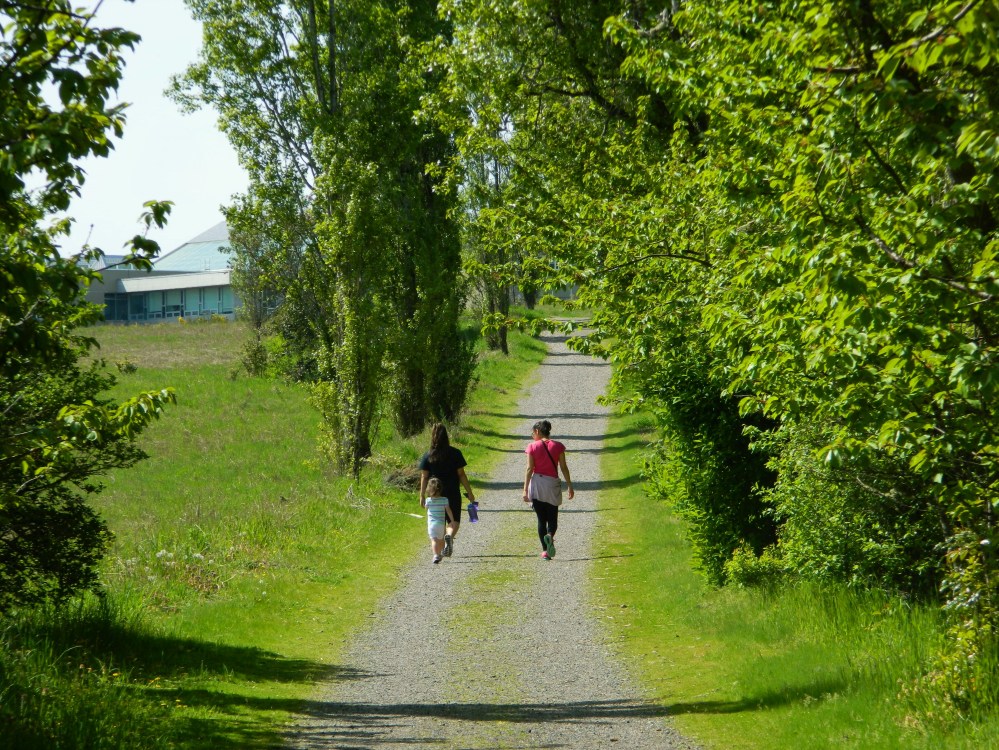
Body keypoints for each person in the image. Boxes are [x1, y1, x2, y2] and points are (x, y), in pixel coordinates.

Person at [418, 423, 475, 557]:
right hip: (452, 492)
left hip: (434, 494)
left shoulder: (428, 456)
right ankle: (449, 536)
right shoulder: (455, 453)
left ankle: (439, 548)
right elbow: (461, 474)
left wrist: (421, 495)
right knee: (453, 520)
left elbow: (424, 476)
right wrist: (470, 492)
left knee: (437, 520)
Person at [522, 419, 574, 560]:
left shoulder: (532, 447)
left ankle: (545, 551)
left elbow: (529, 469)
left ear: (537, 432)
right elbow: (563, 467)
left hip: (537, 483)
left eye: (533, 433)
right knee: (552, 517)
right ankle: (550, 535)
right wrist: (569, 485)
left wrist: (525, 489)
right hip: (552, 484)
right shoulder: (558, 446)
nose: (533, 436)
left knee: (541, 519)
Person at [423, 477, 455, 564]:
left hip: (432, 525)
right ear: (441, 489)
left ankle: (435, 555)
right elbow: (448, 510)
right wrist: (451, 521)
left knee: (434, 540)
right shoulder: (444, 500)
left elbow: (426, 509)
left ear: (429, 489)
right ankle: (440, 553)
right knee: (441, 540)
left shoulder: (428, 500)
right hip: (441, 524)